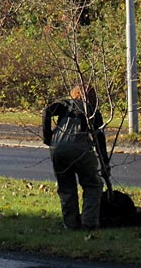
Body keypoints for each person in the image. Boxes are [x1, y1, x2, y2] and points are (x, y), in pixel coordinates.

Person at [42, 84, 109, 230]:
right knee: (93, 185)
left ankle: (70, 224)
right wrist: (105, 164)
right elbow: (100, 139)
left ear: (74, 93)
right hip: (80, 148)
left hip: (57, 148)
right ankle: (89, 223)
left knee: (66, 188)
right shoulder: (92, 111)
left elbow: (46, 111)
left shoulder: (65, 104)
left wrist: (47, 137)